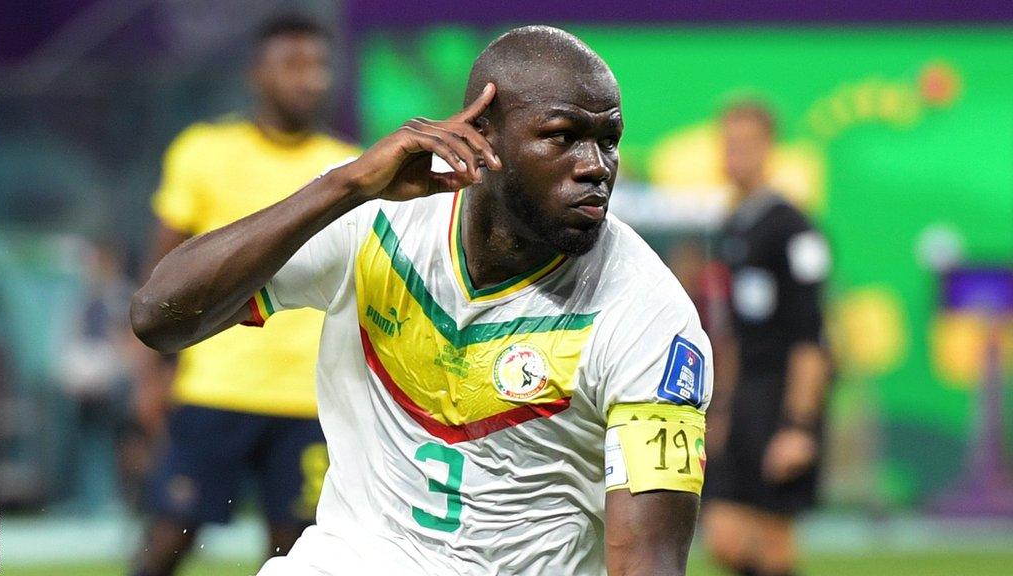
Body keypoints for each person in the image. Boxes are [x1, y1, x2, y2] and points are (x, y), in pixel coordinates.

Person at [132, 26, 712, 576]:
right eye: (561, 136)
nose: (595, 168)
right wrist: (344, 186)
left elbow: (649, 562)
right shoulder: (375, 217)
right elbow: (158, 315)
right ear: (484, 132)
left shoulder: (652, 317)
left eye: (608, 141)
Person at [132, 15, 360, 576]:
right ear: (258, 74)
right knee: (168, 538)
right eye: (293, 65)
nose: (310, 79)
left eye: (319, 66)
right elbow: (162, 275)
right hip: (216, 386)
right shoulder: (204, 151)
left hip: (311, 398)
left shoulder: (349, 168)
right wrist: (148, 376)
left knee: (295, 554)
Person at [701, 101, 832, 576]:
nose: (735, 154)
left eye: (746, 144)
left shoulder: (793, 229)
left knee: (774, 542)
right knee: (725, 535)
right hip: (745, 398)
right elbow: (731, 334)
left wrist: (798, 425)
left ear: (769, 149)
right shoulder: (732, 226)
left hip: (782, 396)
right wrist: (720, 409)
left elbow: (812, 337)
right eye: (728, 143)